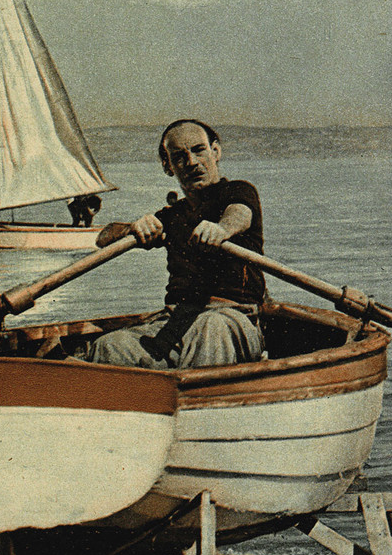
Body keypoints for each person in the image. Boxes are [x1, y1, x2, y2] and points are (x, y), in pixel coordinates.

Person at [89, 120, 265, 369]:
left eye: (199, 150)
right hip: (176, 321)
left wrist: (222, 230)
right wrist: (132, 229)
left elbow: (240, 214)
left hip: (232, 318)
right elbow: (103, 238)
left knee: (210, 327)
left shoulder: (238, 191)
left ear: (215, 152)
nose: (191, 162)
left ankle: (196, 390)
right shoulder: (172, 216)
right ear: (167, 166)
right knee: (110, 346)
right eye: (179, 157)